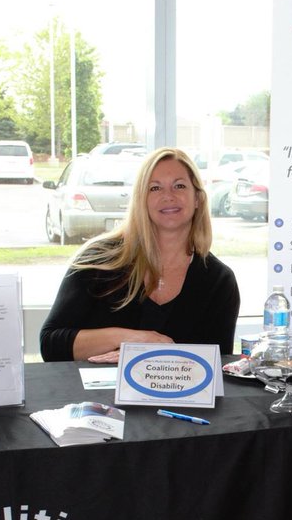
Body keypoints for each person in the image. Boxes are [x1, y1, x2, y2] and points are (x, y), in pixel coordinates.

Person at [40, 147, 240, 362]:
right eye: (154, 188)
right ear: (140, 199)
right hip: (96, 396)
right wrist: (129, 339)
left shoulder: (219, 281)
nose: (168, 196)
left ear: (198, 198)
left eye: (179, 186)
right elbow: (51, 345)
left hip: (178, 396)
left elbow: (218, 367)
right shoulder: (97, 260)